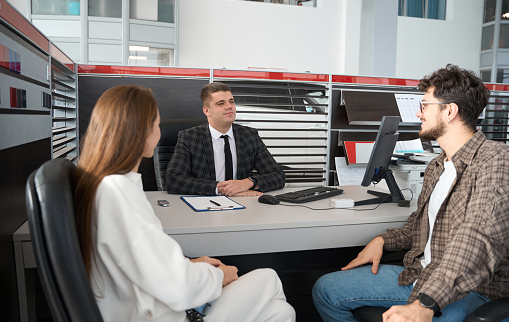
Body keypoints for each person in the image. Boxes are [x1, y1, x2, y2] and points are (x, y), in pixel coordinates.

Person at [74, 85, 295, 322]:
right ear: (141, 130)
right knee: (269, 277)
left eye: (231, 101)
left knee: (281, 313)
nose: (159, 133)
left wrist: (249, 182)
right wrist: (219, 275)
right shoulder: (119, 191)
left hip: (149, 299)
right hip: (160, 312)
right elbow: (176, 285)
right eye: (156, 125)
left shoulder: (104, 185)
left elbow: (146, 261)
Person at [312, 65, 509, 321]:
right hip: (420, 275)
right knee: (326, 289)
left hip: (470, 290)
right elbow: (419, 226)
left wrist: (425, 303)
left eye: (425, 105)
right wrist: (383, 241)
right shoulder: (437, 166)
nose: (418, 113)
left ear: (450, 111)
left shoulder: (496, 162)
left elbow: (477, 241)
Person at [164, 82, 285, 196]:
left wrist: (249, 182)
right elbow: (173, 180)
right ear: (207, 110)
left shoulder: (249, 135)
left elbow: (278, 176)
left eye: (231, 102)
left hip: (245, 206)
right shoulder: (190, 138)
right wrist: (222, 188)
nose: (229, 107)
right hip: (206, 206)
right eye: (221, 103)